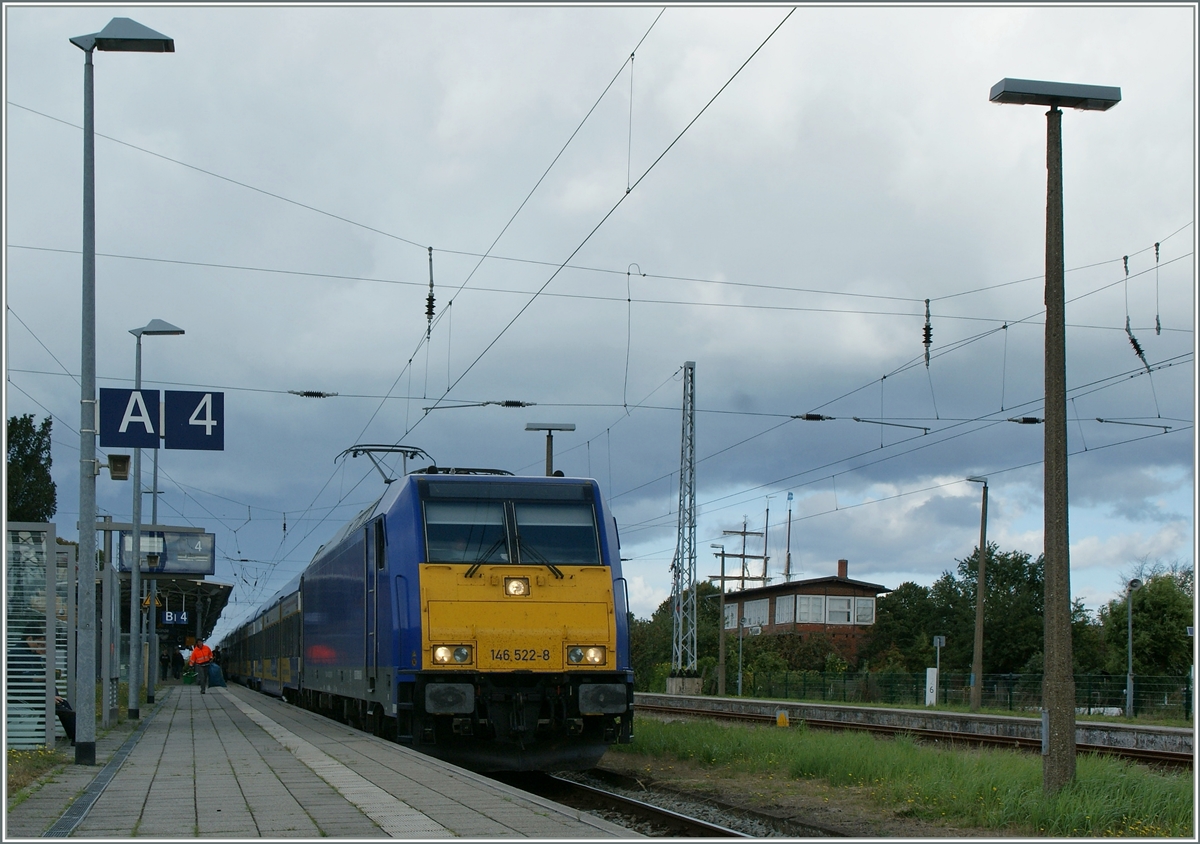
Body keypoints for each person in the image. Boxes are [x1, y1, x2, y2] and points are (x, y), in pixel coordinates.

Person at [8, 621, 75, 744]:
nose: (40, 647)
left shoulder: (32, 654)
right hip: (19, 693)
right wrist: (48, 692)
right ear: (29, 638)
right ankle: (74, 736)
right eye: (38, 643)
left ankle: (46, 737)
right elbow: (25, 679)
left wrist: (54, 693)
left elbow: (44, 678)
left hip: (31, 691)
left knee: (60, 702)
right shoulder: (18, 653)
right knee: (57, 705)